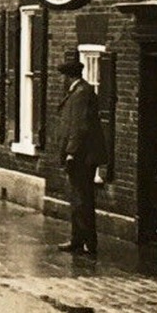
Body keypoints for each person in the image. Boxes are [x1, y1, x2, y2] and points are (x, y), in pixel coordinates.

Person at [54, 52, 107, 257]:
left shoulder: (81, 94)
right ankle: (78, 239)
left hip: (82, 156)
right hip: (81, 155)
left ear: (69, 77)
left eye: (64, 77)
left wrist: (70, 153)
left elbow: (79, 127)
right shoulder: (77, 92)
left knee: (82, 199)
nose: (62, 80)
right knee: (77, 198)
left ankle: (87, 242)